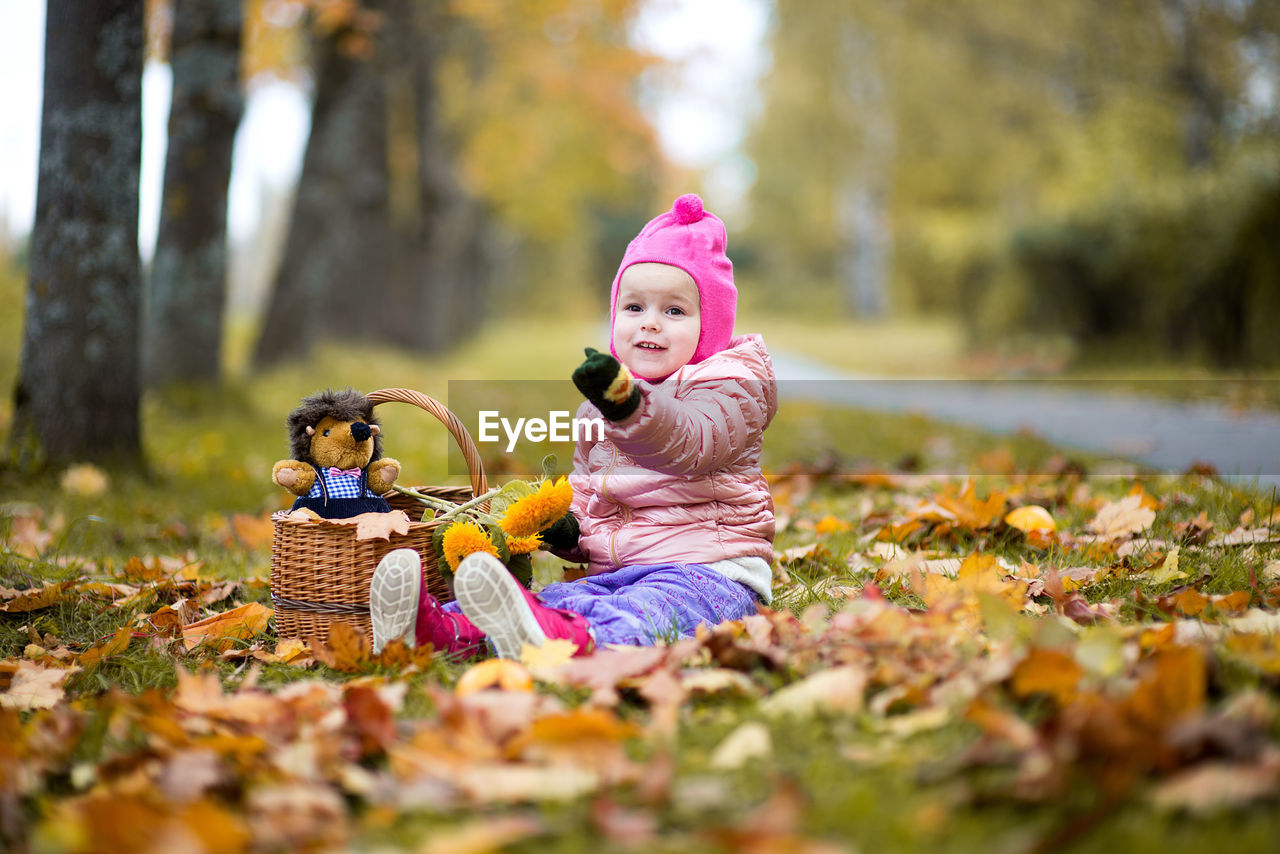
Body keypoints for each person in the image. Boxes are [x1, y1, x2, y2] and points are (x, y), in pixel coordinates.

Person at [369, 193, 777, 658]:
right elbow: (591, 499)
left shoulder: (729, 386)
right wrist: (567, 529)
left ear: (712, 326)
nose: (650, 325)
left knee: (653, 611)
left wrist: (628, 406)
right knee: (565, 598)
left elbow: (689, 442)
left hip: (709, 573)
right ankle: (444, 630)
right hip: (615, 573)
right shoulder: (601, 407)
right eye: (634, 308)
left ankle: (567, 642)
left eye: (675, 311)